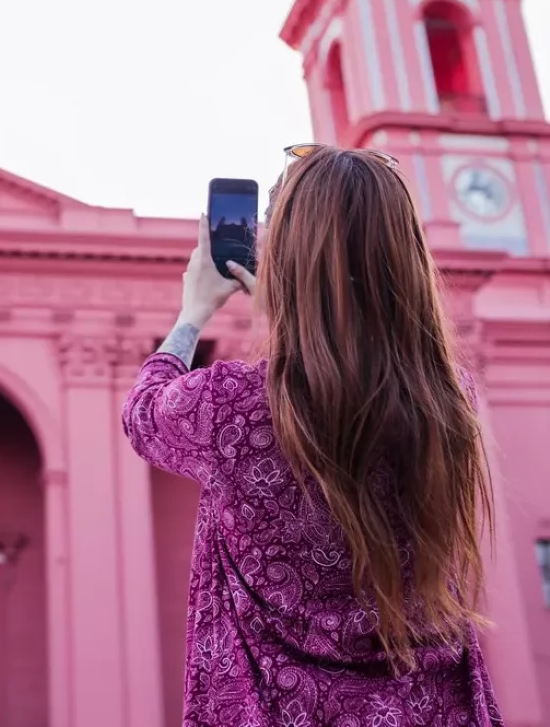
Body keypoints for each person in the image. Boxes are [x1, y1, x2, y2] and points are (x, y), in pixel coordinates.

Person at [122, 145, 501, 727]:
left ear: (284, 261)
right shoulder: (449, 403)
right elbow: (350, 371)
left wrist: (192, 314)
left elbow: (144, 414)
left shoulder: (230, 409)